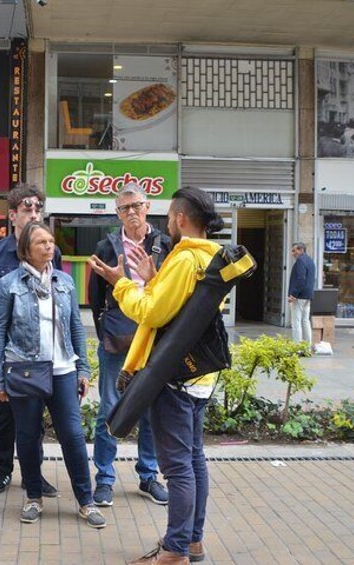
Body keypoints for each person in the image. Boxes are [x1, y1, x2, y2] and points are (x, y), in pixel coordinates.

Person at [89, 186, 225, 564]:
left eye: (167, 214)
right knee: (194, 459)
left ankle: (175, 550)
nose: (166, 221)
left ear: (180, 218)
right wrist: (151, 280)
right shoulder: (208, 257)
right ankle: (192, 541)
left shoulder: (184, 258)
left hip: (174, 377)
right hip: (198, 376)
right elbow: (177, 308)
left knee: (178, 468)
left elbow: (152, 314)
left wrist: (121, 283)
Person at [0, 222, 106, 530]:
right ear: (26, 249)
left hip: (62, 369)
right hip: (24, 368)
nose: (48, 246)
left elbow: (76, 327)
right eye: (41, 242)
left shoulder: (64, 281)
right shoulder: (9, 284)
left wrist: (83, 368)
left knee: (73, 436)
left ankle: (86, 501)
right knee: (26, 436)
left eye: (51, 241)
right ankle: (33, 497)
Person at [88, 183, 171, 508]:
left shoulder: (165, 245)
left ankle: (148, 475)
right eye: (125, 208)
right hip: (118, 338)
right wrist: (105, 330)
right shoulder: (106, 247)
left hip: (154, 337)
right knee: (110, 406)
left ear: (147, 206)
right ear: (117, 212)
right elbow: (95, 297)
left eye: (136, 206)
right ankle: (105, 479)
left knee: (151, 407)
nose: (132, 212)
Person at [0, 183, 61, 497]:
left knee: (35, 417)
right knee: (5, 414)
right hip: (7, 350)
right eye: (28, 209)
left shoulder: (52, 250)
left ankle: (33, 475)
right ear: (13, 215)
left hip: (39, 351)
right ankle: (3, 470)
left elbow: (59, 297)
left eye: (38, 209)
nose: (34, 214)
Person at [288, 242, 316, 347]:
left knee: (296, 322)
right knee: (305, 321)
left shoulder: (300, 261)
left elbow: (301, 279)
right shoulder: (310, 260)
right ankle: (307, 347)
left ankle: (297, 348)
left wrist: (293, 294)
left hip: (299, 296)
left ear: (301, 250)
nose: (292, 253)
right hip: (307, 295)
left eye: (294, 251)